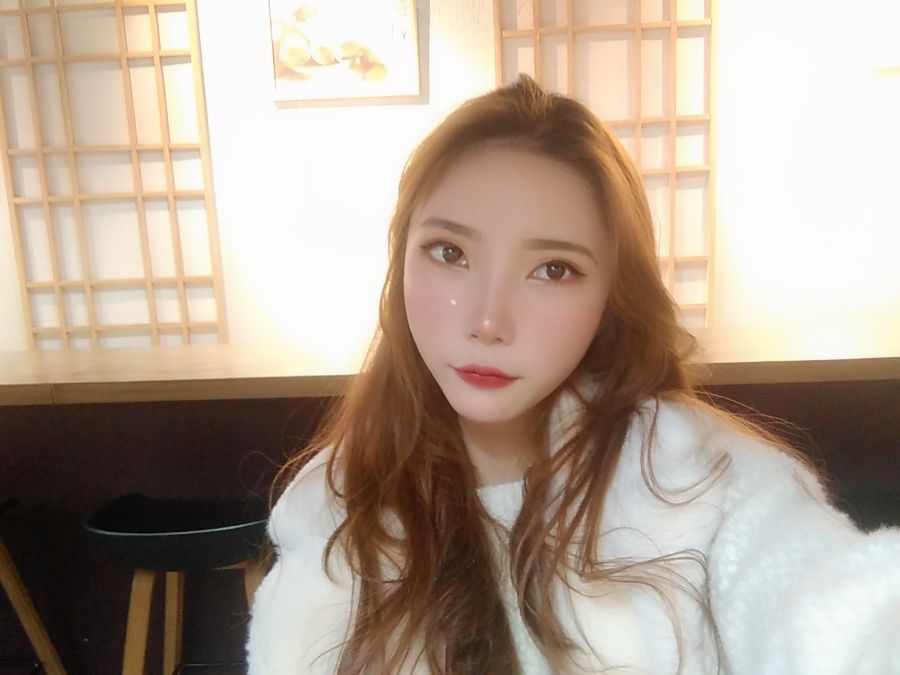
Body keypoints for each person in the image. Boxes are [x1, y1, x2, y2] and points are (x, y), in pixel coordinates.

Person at [246, 76, 900, 674]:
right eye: (449, 252)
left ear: (612, 295)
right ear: (402, 263)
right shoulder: (332, 501)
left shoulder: (702, 482)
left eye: (553, 269)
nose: (488, 321)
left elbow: (838, 611)